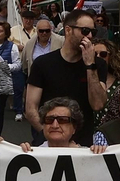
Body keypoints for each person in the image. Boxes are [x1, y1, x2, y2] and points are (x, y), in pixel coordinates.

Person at [25, 10, 107, 147]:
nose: (90, 36)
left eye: (94, 32)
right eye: (85, 31)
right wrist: (51, 135)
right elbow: (30, 108)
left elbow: (98, 104)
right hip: (48, 144)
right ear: (68, 30)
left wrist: (90, 65)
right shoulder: (43, 64)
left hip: (82, 144)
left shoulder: (98, 65)